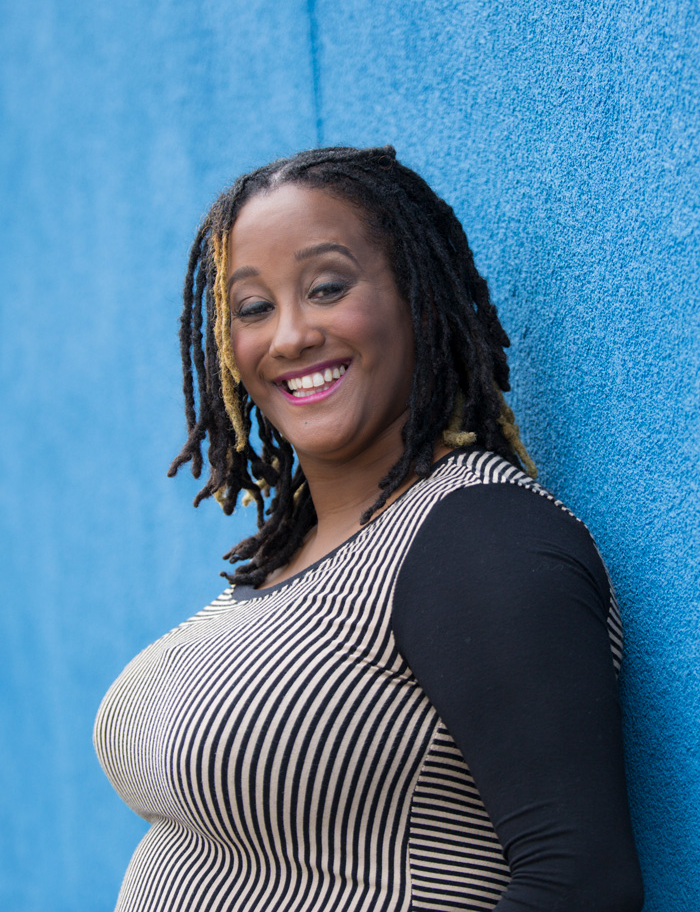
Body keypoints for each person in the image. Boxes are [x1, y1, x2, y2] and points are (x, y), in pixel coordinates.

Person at [94, 145, 644, 912]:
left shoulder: (476, 540)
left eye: (327, 288)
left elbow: (579, 886)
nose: (289, 337)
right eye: (254, 308)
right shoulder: (289, 558)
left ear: (417, 297)